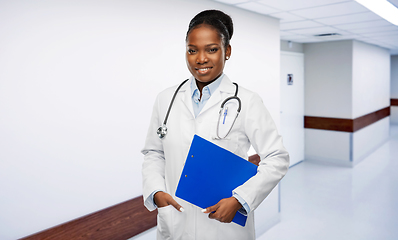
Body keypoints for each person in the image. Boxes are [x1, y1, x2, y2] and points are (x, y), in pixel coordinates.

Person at [141, 9, 289, 240]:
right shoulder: (166, 99)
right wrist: (156, 191)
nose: (201, 59)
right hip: (175, 222)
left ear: (226, 51)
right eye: (192, 50)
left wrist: (240, 199)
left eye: (211, 49)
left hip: (223, 227)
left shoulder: (247, 101)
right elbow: (153, 152)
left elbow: (277, 158)